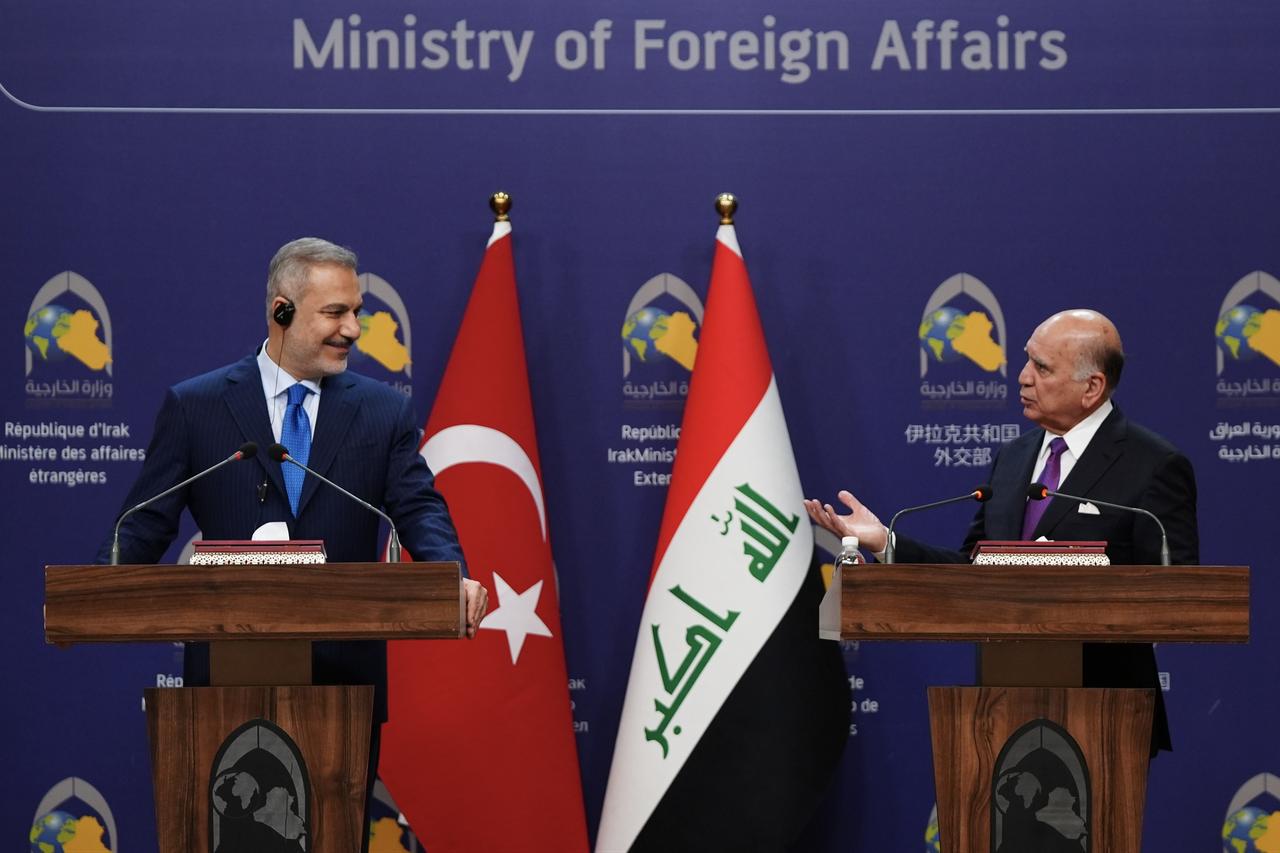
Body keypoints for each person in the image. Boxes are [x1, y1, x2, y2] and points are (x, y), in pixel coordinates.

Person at [97, 237, 488, 842]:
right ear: (282, 311)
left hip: (344, 683)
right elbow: (144, 524)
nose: (353, 329)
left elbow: (417, 506)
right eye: (335, 312)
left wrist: (451, 575)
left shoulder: (383, 412)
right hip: (226, 680)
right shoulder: (198, 406)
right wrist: (95, 596)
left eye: (356, 312)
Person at [804, 308, 1197, 755]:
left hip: (1107, 712)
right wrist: (884, 541)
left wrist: (1069, 576)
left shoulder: (1153, 464)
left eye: (1042, 368)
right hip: (1002, 706)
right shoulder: (1013, 457)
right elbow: (972, 568)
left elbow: (1176, 591)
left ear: (1092, 387)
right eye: (1028, 360)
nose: (1023, 377)